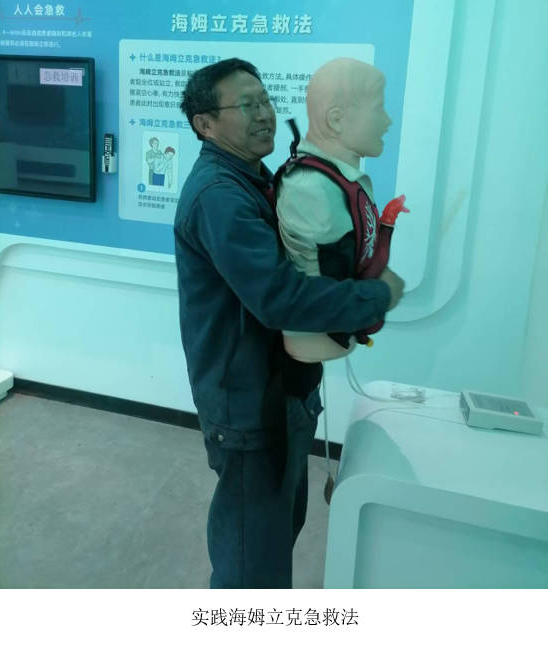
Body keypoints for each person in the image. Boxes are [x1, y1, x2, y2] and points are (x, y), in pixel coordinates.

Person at [173, 58, 404, 589]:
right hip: (248, 403)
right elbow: (278, 298)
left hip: (282, 390)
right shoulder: (219, 197)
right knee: (252, 560)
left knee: (276, 531)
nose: (263, 114)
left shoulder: (259, 179)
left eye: (265, 100)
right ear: (205, 124)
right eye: (245, 105)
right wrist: (375, 296)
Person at [276, 58, 404, 362]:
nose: (388, 121)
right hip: (317, 337)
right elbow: (314, 291)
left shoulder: (338, 180)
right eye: (378, 109)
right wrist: (381, 293)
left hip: (337, 331)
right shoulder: (311, 188)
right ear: (336, 120)